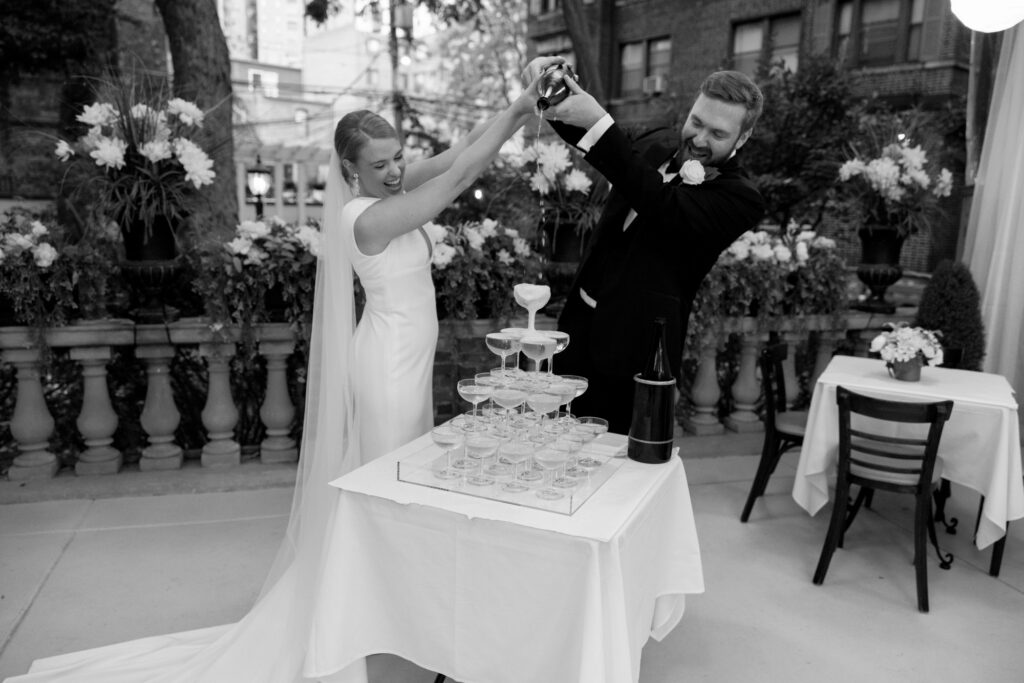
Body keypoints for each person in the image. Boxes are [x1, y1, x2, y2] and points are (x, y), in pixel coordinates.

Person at [5, 77, 545, 683]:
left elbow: (454, 156)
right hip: (388, 368)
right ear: (349, 168)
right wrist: (520, 108)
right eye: (380, 164)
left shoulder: (387, 190)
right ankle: (382, 623)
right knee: (394, 497)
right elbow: (455, 180)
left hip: (407, 362)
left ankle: (400, 618)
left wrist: (520, 108)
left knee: (404, 495)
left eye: (397, 159)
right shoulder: (364, 219)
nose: (395, 171)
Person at [524, 59, 766, 434]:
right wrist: (551, 88)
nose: (699, 140)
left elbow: (661, 204)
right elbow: (600, 144)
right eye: (696, 122)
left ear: (743, 138)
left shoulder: (741, 199)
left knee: (616, 473)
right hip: (577, 331)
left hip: (636, 356)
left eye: (717, 134)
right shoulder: (659, 141)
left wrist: (600, 122)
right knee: (556, 448)